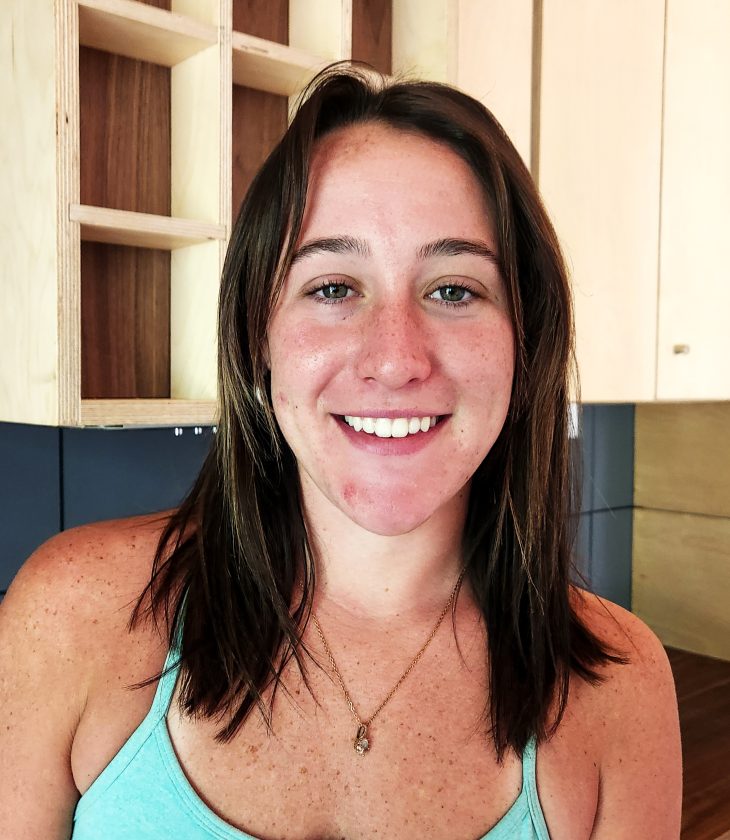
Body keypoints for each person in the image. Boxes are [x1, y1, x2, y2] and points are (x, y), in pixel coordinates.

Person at [0, 65, 682, 839]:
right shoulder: (70, 614)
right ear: (258, 336)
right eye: (333, 288)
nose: (395, 359)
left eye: (454, 290)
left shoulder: (619, 689)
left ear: (525, 343)